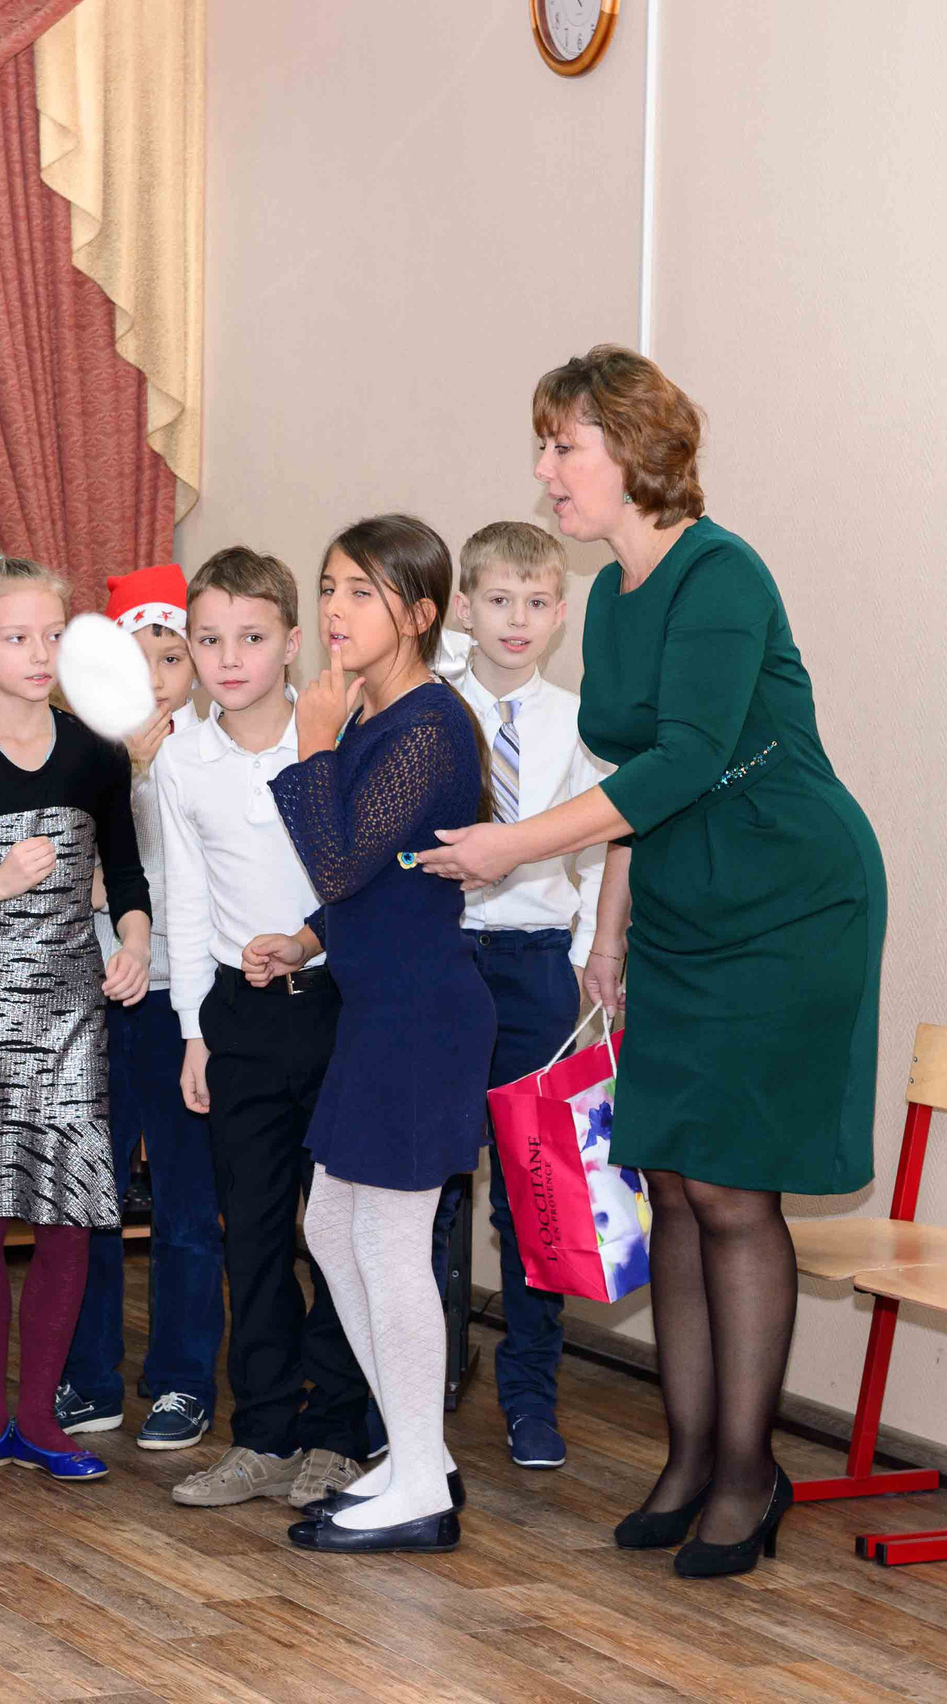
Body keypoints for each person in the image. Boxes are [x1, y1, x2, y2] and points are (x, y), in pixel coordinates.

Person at [419, 345, 888, 1579]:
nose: (543, 471)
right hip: (683, 898)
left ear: (632, 451)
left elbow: (679, 764)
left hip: (790, 902)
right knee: (671, 1184)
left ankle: (746, 1472)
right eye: (544, 446)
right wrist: (611, 925)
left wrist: (518, 843)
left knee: (734, 1190)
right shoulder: (619, 595)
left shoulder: (721, 576)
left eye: (562, 446)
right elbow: (638, 796)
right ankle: (687, 1458)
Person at [269, 514, 496, 1555]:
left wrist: (311, 744)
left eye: (360, 592)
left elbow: (341, 859)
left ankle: (418, 1481)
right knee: (331, 1230)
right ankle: (416, 1460)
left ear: (419, 612)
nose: (334, 611)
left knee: (389, 1242)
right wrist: (310, 943)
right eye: (328, 588)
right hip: (383, 1009)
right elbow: (377, 881)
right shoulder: (380, 717)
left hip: (422, 1019)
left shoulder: (426, 726)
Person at [0, 555, 150, 1484]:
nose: (40, 653)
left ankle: (42, 1418)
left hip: (71, 1007)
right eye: (16, 637)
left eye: (53, 634)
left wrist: (135, 940)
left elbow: (126, 872)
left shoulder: (96, 754)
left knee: (67, 1207)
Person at [159, 548, 378, 1513]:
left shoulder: (336, 737)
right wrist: (193, 1031)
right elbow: (186, 896)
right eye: (209, 640)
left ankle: (337, 1432)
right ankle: (263, 1435)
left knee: (337, 1231)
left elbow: (369, 880)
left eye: (251, 638)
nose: (229, 657)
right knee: (249, 1233)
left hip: (337, 1007)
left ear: (293, 642)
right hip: (235, 1018)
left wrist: (306, 945)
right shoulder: (180, 758)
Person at [428, 521, 607, 1473]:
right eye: (498, 600)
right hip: (442, 965)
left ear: (561, 616)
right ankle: (426, 1381)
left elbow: (606, 842)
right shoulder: (429, 711)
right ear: (465, 606)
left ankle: (530, 1392)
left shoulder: (579, 721)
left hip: (538, 965)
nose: (517, 620)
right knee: (436, 1187)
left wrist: (586, 952)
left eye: (538, 604)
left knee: (537, 1194)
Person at [57, 563, 225, 1452]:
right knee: (91, 1194)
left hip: (181, 1004)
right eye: (140, 655)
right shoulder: (81, 759)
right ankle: (88, 1373)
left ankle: (184, 1378)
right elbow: (66, 878)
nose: (158, 674)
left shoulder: (210, 753)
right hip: (91, 997)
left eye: (174, 654)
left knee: (190, 1201)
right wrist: (126, 777)